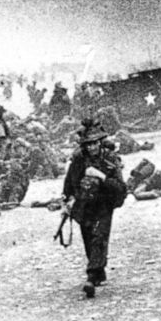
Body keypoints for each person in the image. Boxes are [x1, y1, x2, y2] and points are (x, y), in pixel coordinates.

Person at [61, 121, 127, 297]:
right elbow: (69, 182)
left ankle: (91, 276)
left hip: (104, 204)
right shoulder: (78, 160)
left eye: (94, 143)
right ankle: (99, 272)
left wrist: (101, 177)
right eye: (88, 144)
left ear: (100, 142)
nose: (92, 147)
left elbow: (121, 188)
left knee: (99, 237)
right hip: (84, 205)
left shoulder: (110, 159)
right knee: (89, 238)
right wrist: (66, 201)